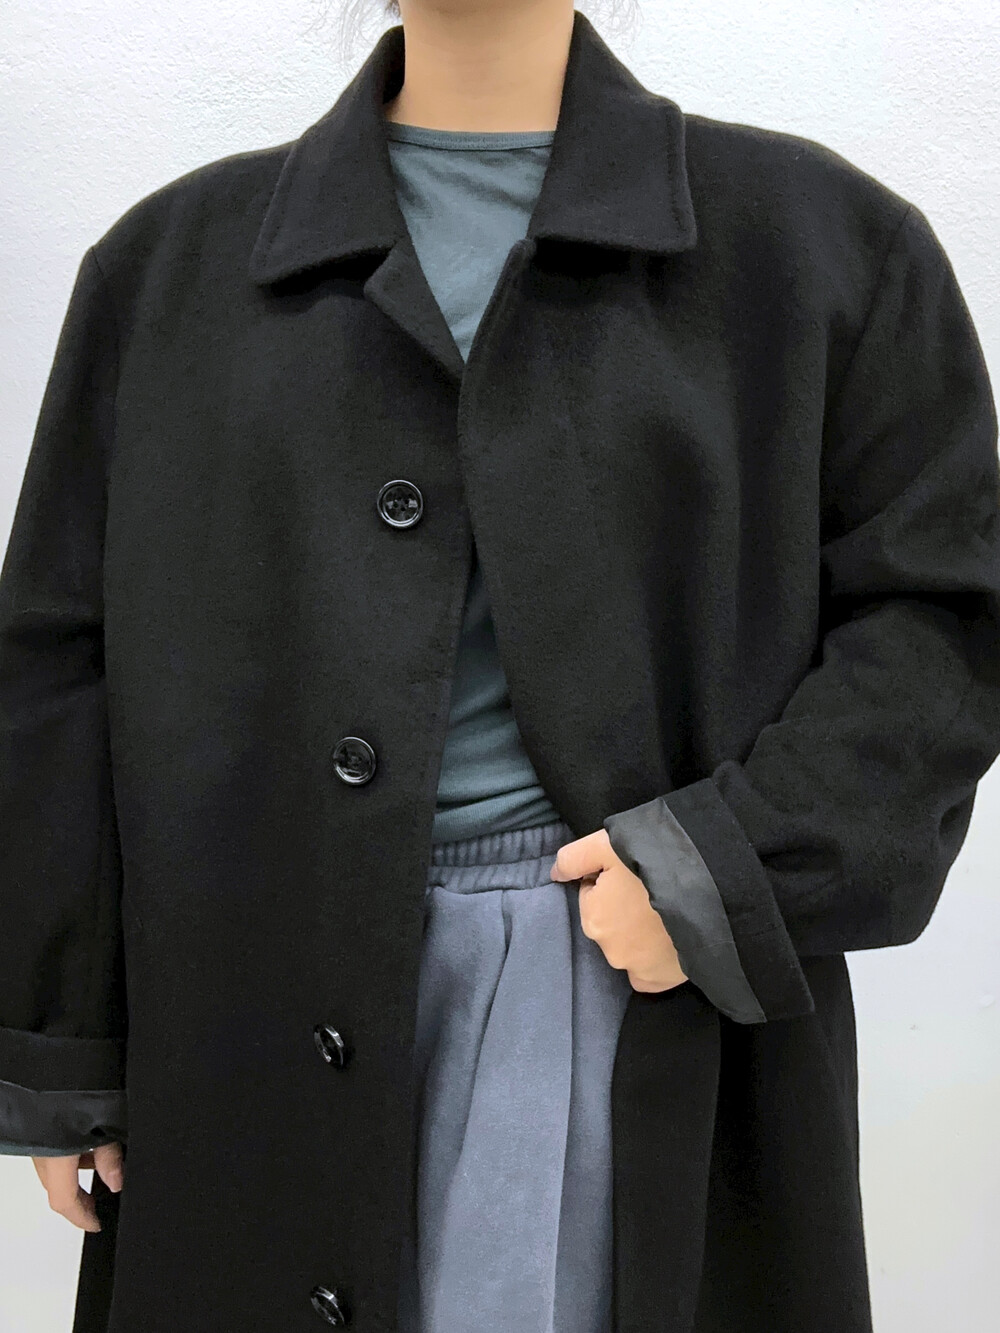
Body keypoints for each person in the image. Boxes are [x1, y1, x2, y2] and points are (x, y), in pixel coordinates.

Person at [2, 2, 999, 1331]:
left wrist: (728, 865)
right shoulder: (164, 273)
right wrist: (67, 1036)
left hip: (628, 986)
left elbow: (943, 615)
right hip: (241, 1003)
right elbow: (59, 661)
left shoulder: (822, 249)